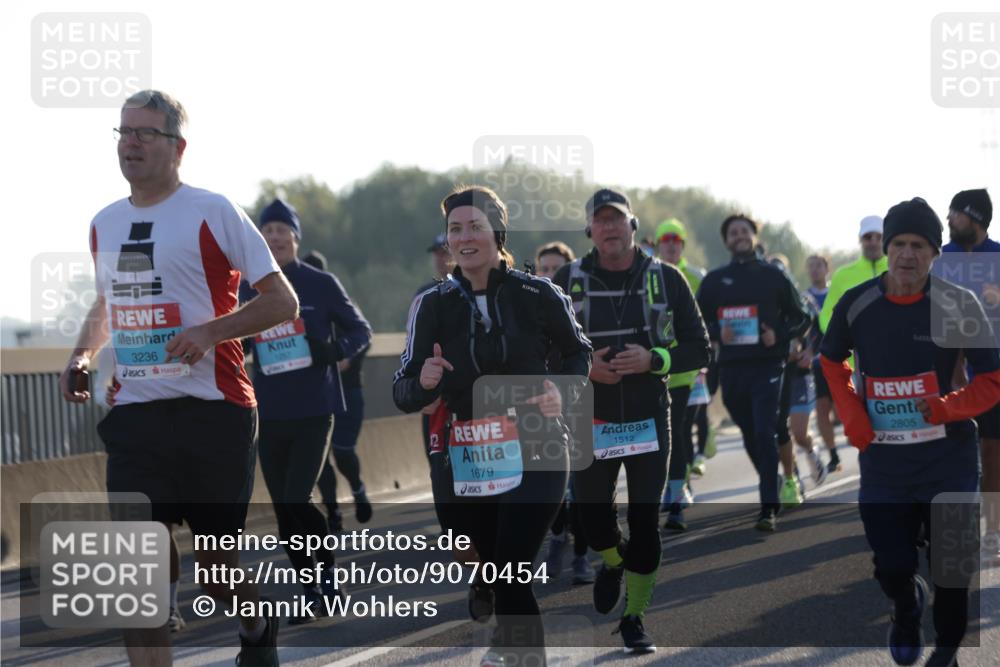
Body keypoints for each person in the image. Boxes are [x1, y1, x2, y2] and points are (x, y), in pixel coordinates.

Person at [60, 90, 298, 667]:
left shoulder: (212, 211)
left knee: (216, 572)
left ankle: (257, 626)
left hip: (214, 412)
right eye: (123, 132)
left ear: (178, 147)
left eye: (145, 133)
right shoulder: (104, 223)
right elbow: (110, 302)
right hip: (135, 414)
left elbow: (282, 302)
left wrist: (210, 332)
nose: (130, 143)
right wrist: (82, 356)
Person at [393, 185, 592, 667]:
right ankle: (499, 616)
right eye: (455, 229)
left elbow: (578, 354)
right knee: (483, 558)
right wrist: (423, 381)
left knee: (512, 569)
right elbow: (402, 390)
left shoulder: (539, 293)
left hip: (539, 444)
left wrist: (561, 390)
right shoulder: (432, 304)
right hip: (469, 454)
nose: (464, 237)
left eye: (475, 227)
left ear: (497, 232)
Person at [821, 197, 1000, 667]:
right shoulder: (858, 303)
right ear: (886, 248)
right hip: (886, 461)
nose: (907, 254)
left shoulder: (957, 303)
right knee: (893, 565)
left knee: (953, 570)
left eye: (919, 245)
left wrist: (947, 407)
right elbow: (831, 361)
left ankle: (947, 650)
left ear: (935, 253)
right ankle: (905, 606)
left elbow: (991, 379)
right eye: (898, 243)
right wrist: (853, 415)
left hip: (948, 458)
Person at [553, 189, 710, 652]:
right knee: (592, 521)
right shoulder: (567, 280)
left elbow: (699, 347)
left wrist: (655, 359)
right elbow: (541, 351)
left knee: (645, 523)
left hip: (647, 419)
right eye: (600, 220)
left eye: (616, 219)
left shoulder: (667, 278)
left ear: (633, 225)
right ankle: (613, 560)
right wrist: (585, 369)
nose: (609, 227)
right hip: (590, 419)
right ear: (589, 230)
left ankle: (634, 618)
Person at [241, 199, 372, 624]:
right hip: (269, 412)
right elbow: (232, 337)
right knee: (284, 507)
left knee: (298, 497)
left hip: (315, 408)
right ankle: (310, 589)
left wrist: (333, 350)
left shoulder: (320, 283)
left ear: (295, 238)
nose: (275, 237)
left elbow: (361, 330)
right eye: (268, 231)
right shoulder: (248, 287)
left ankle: (329, 579)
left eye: (283, 230)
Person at [697, 214, 811, 531]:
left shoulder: (773, 275)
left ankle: (767, 508)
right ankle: (772, 481)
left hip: (768, 365)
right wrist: (715, 332)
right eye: (733, 232)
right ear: (726, 240)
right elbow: (694, 321)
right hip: (731, 368)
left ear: (754, 236)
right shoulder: (715, 280)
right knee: (750, 433)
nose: (739, 236)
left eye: (744, 231)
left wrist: (779, 334)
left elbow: (803, 317)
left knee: (765, 431)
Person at [940, 188, 1000, 558]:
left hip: (992, 373)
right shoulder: (940, 258)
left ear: (974, 217)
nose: (948, 219)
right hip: (947, 373)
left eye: (955, 213)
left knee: (992, 451)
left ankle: (993, 530)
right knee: (947, 454)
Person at [301, 250, 375, 534]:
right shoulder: (295, 307)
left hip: (348, 390)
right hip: (316, 393)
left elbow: (364, 334)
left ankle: (357, 490)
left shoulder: (337, 299)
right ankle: (332, 509)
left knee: (343, 452)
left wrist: (346, 358)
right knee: (319, 459)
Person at [533, 242, 595, 584]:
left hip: (581, 402)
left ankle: (582, 557)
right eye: (543, 269)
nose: (549, 275)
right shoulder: (527, 306)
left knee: (581, 488)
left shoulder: (581, 309)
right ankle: (558, 538)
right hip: (543, 407)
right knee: (552, 484)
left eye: (556, 269)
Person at [655, 218, 710, 530]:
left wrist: (704, 354)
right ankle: (671, 486)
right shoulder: (648, 274)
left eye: (676, 240)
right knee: (660, 436)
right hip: (652, 366)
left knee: (676, 430)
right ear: (659, 244)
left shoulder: (695, 277)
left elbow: (706, 318)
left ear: (683, 245)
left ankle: (676, 501)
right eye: (666, 240)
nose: (671, 244)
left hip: (684, 368)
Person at [805, 254, 841, 473]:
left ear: (827, 268)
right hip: (817, 363)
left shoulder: (836, 292)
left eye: (819, 265)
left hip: (840, 360)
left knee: (842, 409)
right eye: (811, 266)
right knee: (821, 409)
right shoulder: (804, 298)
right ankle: (833, 454)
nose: (815, 270)